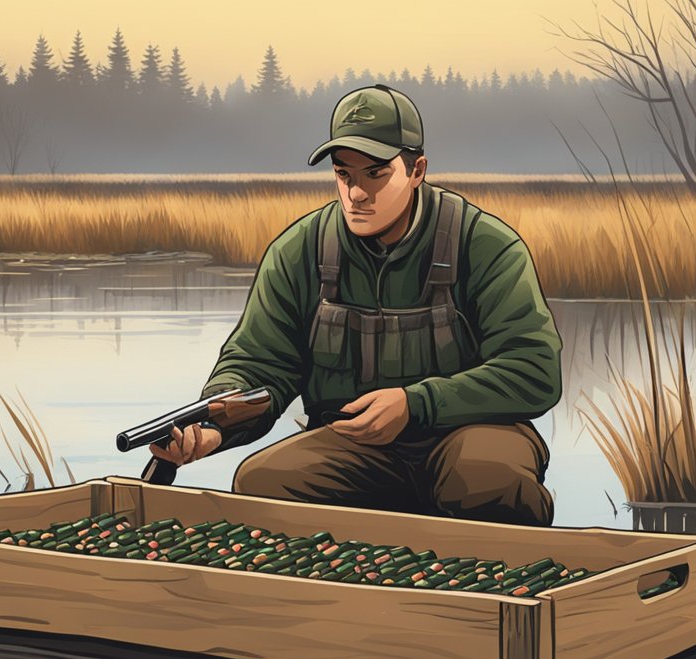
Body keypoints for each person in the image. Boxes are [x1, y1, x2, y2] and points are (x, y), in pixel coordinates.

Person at [151, 84, 563, 526]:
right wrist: (214, 425)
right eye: (344, 174)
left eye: (375, 174)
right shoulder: (299, 251)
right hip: (353, 444)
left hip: (473, 434)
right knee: (262, 483)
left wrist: (417, 404)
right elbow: (258, 363)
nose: (356, 194)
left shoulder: (484, 245)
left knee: (483, 478)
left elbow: (535, 369)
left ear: (417, 170)